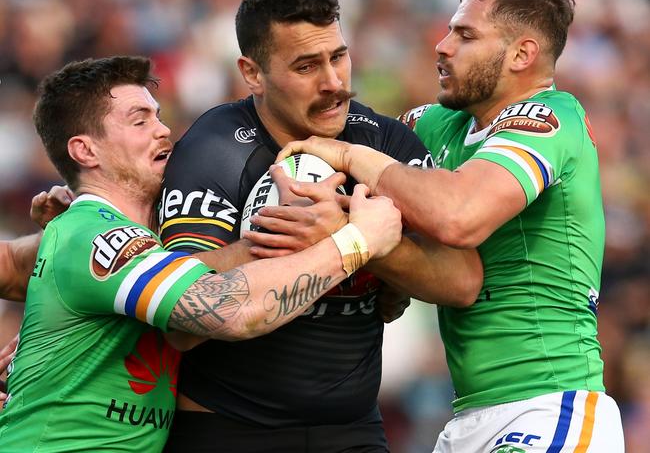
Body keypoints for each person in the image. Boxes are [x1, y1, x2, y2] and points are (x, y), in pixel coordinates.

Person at [277, 0, 625, 451]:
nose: (442, 46)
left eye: (464, 34)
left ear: (522, 54)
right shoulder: (436, 125)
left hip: (551, 402)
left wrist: (354, 156)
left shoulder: (551, 118)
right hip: (467, 415)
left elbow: (457, 215)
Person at [0, 56, 404, 452]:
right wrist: (357, 241)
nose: (163, 131)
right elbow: (230, 310)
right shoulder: (90, 232)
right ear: (85, 152)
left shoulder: (117, 234)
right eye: (140, 121)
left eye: (159, 116)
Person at [158, 0, 483, 453]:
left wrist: (361, 242)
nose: (334, 83)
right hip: (228, 430)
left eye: (338, 56)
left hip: (352, 432)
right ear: (252, 73)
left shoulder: (382, 141)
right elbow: (179, 321)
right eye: (307, 66)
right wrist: (284, 239)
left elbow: (463, 281)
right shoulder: (216, 147)